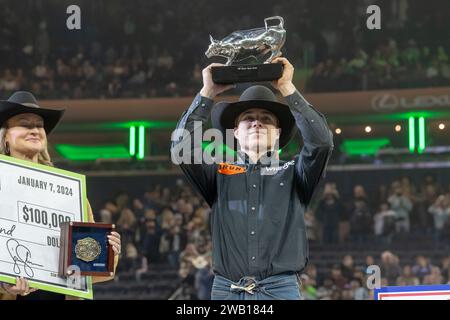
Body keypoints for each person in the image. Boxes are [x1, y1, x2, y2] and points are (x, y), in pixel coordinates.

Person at [171, 57, 333, 300]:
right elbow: (182, 149)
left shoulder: (295, 172)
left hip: (280, 291)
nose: (257, 122)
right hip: (228, 292)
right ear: (235, 132)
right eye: (248, 118)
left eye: (266, 119)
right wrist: (207, 93)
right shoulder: (218, 173)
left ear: (277, 133)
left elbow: (321, 144)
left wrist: (288, 88)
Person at [0, 91, 121, 300]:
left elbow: (86, 264)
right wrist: (3, 285)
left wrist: (107, 251)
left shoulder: (68, 190)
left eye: (39, 125)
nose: (35, 130)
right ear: (5, 137)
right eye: (25, 124)